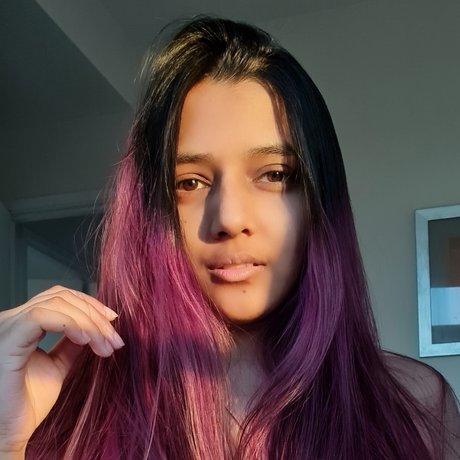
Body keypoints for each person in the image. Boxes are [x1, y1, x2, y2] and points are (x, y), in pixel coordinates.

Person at [0, 16, 459, 460]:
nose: (229, 219)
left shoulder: (414, 405)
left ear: (318, 198)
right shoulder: (63, 411)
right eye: (189, 182)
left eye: (274, 174)